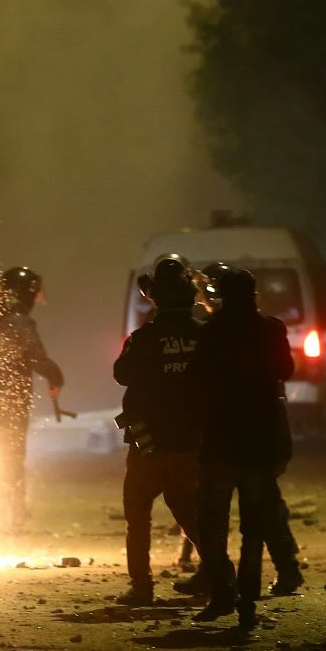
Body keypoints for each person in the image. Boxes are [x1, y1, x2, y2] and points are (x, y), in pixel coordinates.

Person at [175, 262, 304, 599]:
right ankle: (284, 572)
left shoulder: (210, 331)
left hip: (222, 436)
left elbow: (194, 381)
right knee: (265, 510)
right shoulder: (271, 328)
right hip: (262, 432)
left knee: (212, 515)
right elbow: (286, 369)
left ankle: (218, 580)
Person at [112, 256, 204, 605]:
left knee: (137, 514)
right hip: (193, 442)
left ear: (154, 298)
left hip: (149, 443)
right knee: (190, 512)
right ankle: (218, 575)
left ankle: (142, 587)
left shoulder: (144, 338)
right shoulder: (205, 336)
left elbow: (122, 374)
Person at [0, 266, 65, 532]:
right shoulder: (19, 321)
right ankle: (10, 516)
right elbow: (36, 358)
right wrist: (56, 377)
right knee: (11, 457)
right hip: (10, 403)